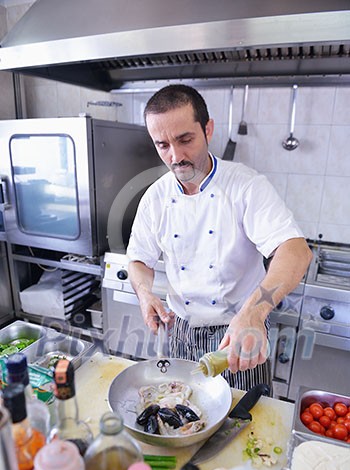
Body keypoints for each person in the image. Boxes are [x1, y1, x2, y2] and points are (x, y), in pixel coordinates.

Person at [126, 84, 313, 390]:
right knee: (185, 409)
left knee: (245, 421)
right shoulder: (155, 197)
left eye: (185, 139)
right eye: (162, 145)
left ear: (208, 129)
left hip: (237, 331)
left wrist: (254, 314)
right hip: (181, 331)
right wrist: (145, 294)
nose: (176, 156)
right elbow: (138, 259)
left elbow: (296, 251)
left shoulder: (246, 186)